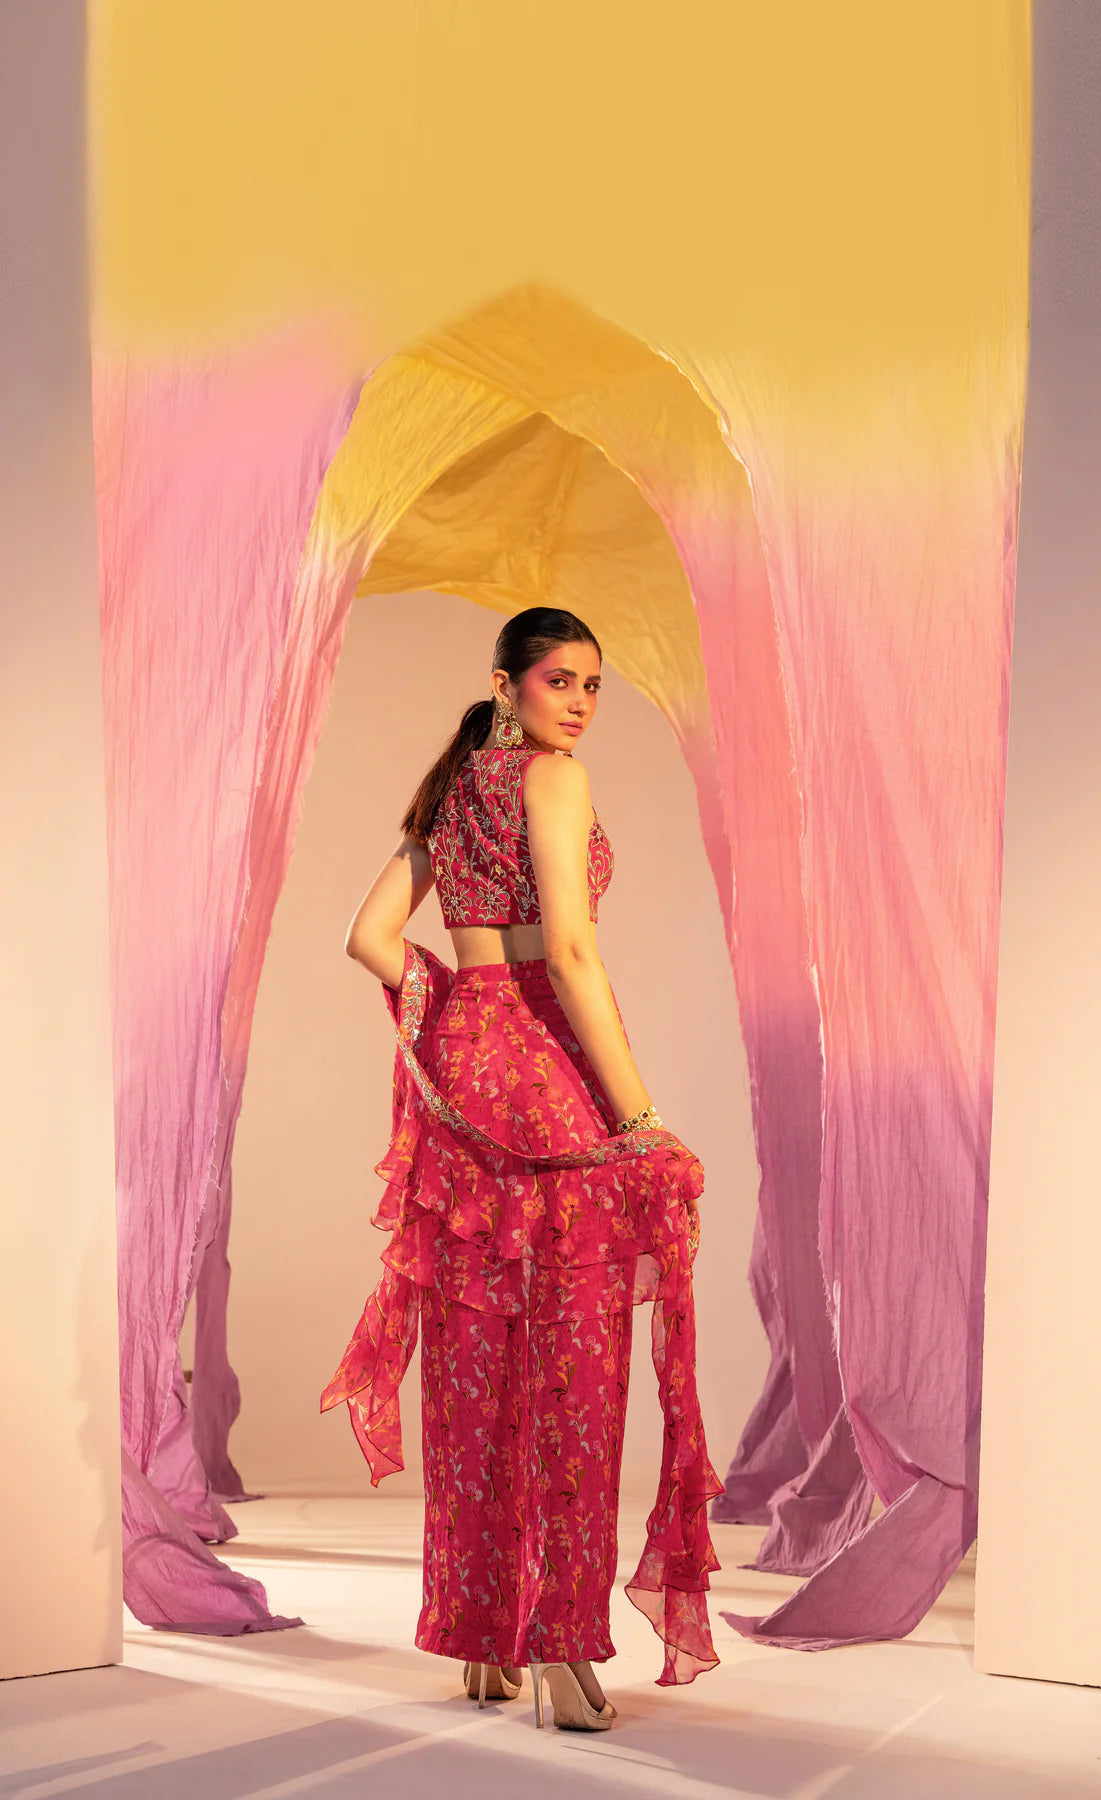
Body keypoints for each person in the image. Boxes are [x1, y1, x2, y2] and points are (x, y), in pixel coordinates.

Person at [322, 606, 721, 1731]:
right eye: (561, 681)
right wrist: (639, 1117)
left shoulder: (449, 791)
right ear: (507, 684)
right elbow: (576, 950)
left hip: (467, 1085)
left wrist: (455, 1014)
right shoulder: (553, 779)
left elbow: (368, 938)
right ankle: (561, 1649)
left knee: (474, 1366)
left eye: (593, 685)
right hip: (548, 1070)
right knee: (573, 1365)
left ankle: (480, 1642)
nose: (581, 704)